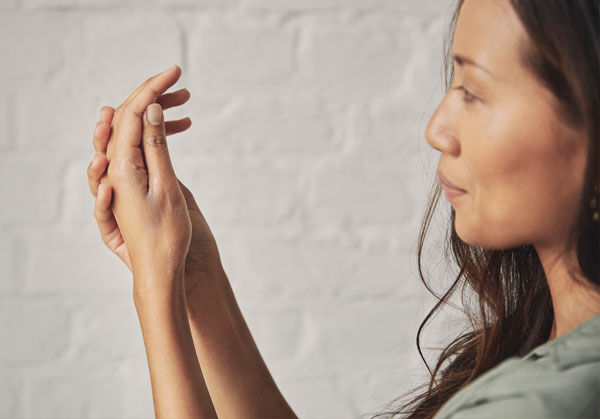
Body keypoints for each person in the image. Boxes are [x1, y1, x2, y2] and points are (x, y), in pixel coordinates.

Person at [86, 0, 599, 417]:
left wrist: (155, 285)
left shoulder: (543, 401)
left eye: (474, 90)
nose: (437, 129)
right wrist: (193, 275)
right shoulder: (554, 348)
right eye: (452, 84)